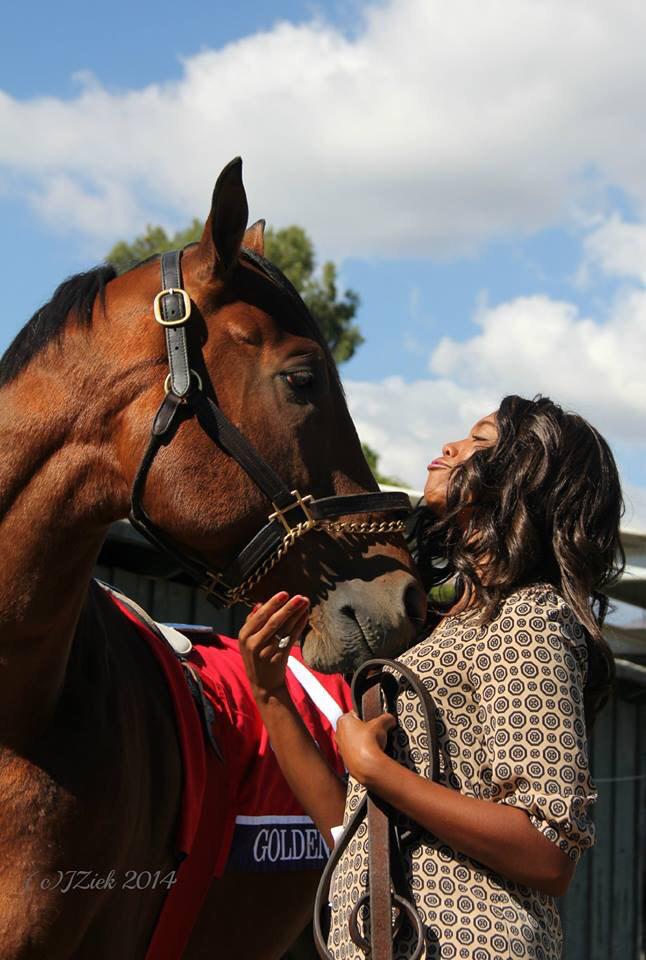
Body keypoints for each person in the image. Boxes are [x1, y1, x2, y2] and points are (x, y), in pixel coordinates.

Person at [239, 395, 624, 959]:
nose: (450, 448)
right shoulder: (446, 632)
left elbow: (548, 851)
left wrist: (376, 769)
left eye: (480, 441)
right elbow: (352, 831)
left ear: (529, 478)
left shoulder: (530, 614)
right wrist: (270, 694)